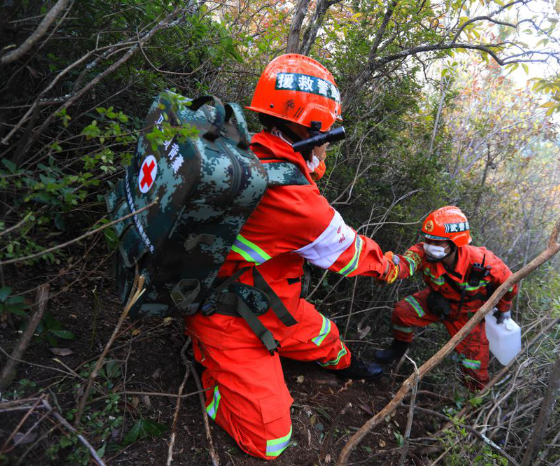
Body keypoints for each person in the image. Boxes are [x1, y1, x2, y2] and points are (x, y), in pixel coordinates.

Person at [184, 54, 399, 460]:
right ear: (315, 129)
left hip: (269, 299)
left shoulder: (247, 152)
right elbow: (351, 254)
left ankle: (342, 363)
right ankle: (211, 370)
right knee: (270, 441)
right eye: (327, 133)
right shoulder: (295, 198)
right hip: (227, 318)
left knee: (326, 338)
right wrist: (390, 267)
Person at [374, 206, 518, 391]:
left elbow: (510, 282)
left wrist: (505, 309)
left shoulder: (482, 261)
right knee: (403, 312)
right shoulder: (422, 253)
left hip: (468, 316)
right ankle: (398, 348)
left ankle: (472, 404)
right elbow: (405, 264)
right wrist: (386, 269)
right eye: (427, 239)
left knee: (474, 368)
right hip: (436, 301)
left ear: (454, 243)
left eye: (437, 241)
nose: (429, 245)